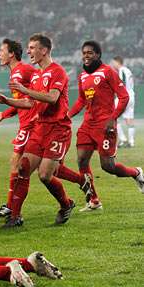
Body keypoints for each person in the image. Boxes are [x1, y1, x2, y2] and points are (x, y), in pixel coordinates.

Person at [0, 34, 76, 227]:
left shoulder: (58, 71)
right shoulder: (36, 75)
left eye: (32, 48)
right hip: (40, 128)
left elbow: (52, 98)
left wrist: (24, 89)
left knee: (45, 175)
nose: (28, 52)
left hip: (58, 129)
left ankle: (66, 204)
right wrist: (7, 102)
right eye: (28, 48)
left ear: (44, 50)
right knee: (23, 167)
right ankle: (15, 216)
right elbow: (29, 103)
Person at [68, 41, 144, 211]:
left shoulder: (108, 72)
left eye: (90, 53)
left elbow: (123, 97)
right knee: (81, 160)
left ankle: (137, 173)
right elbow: (81, 100)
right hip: (88, 124)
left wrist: (113, 118)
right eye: (84, 53)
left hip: (105, 125)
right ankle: (93, 200)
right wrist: (67, 116)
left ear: (98, 55)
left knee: (108, 166)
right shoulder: (82, 76)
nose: (86, 56)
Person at [0, 39, 38, 218]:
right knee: (46, 171)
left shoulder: (25, 70)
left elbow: (40, 90)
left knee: (18, 164)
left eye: (1, 50)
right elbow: (21, 102)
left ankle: (11, 207)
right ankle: (11, 205)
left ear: (11, 54)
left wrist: (38, 113)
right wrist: (5, 114)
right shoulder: (15, 73)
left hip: (31, 124)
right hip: (25, 124)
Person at [112, 56, 136, 148]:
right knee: (129, 119)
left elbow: (122, 83)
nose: (113, 64)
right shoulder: (128, 70)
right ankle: (131, 142)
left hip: (124, 96)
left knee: (112, 116)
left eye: (114, 62)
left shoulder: (122, 70)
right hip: (131, 96)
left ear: (118, 62)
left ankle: (123, 139)